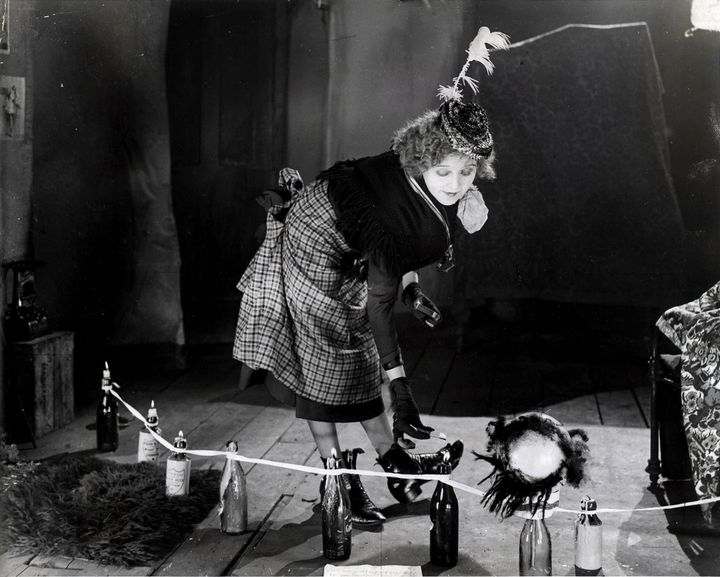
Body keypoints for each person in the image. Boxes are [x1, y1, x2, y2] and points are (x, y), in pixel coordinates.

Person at [233, 26, 505, 527]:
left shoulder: (419, 186)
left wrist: (411, 287)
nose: (454, 185)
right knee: (330, 363)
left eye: (466, 173)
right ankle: (338, 480)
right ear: (424, 161)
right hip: (311, 243)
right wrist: (401, 391)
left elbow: (396, 248)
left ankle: (394, 464)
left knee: (356, 360)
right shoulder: (395, 200)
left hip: (350, 244)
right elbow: (381, 296)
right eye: (444, 172)